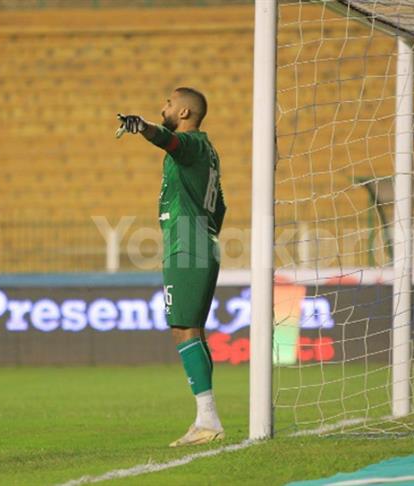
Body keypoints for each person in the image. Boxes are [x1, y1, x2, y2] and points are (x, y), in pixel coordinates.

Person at [116, 87, 226, 447]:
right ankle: (206, 419)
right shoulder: (209, 153)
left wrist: (142, 127)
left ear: (184, 113)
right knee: (191, 329)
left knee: (183, 329)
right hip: (200, 240)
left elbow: (166, 140)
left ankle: (208, 421)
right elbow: (220, 208)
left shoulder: (191, 144)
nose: (163, 106)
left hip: (188, 242)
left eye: (168, 103)